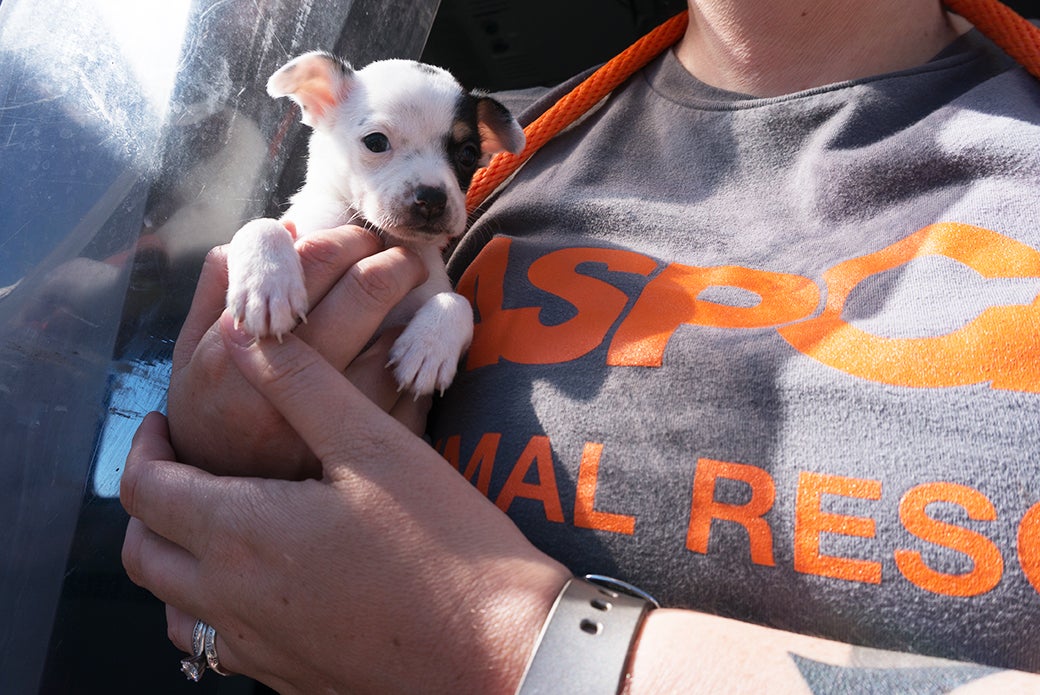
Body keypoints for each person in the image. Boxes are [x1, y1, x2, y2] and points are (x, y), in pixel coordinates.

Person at [120, 0, 1040, 691]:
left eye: (455, 159)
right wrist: (224, 475)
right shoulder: (521, 151)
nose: (434, 180)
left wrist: (509, 644)